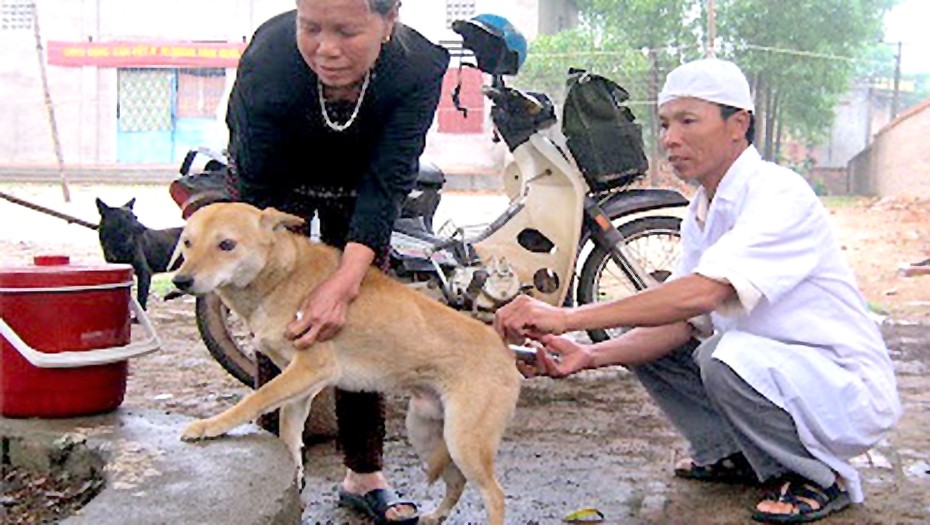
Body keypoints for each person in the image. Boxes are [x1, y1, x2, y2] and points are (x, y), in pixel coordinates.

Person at [494, 58, 901, 524]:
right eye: (666, 123)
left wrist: (568, 318)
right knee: (657, 330)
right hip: (779, 376)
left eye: (689, 121)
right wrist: (588, 356)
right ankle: (732, 454)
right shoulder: (701, 212)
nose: (670, 138)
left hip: (840, 388)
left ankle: (814, 477)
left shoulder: (778, 193)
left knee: (721, 356)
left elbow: (703, 295)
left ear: (738, 125)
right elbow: (680, 321)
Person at [224, 0, 449, 523]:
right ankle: (276, 471)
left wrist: (346, 280)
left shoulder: (419, 67)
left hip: (363, 186)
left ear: (389, 21)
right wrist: (285, 276)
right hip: (277, 184)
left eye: (347, 31)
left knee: (360, 317)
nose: (326, 49)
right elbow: (257, 182)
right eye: (312, 27)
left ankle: (364, 474)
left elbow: (388, 178)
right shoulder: (270, 59)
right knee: (279, 321)